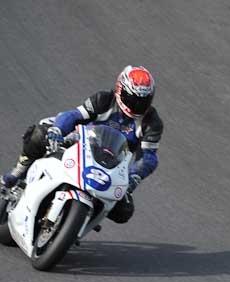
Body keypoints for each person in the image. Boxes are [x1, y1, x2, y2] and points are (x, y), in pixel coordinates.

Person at [2, 66, 163, 224]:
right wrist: (57, 130)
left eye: (143, 100)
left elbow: (148, 157)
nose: (137, 104)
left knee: (124, 211)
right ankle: (19, 170)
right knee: (39, 134)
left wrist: (134, 176)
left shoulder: (152, 122)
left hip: (113, 165)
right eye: (133, 98)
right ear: (120, 90)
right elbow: (74, 115)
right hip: (78, 144)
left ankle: (83, 219)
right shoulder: (105, 100)